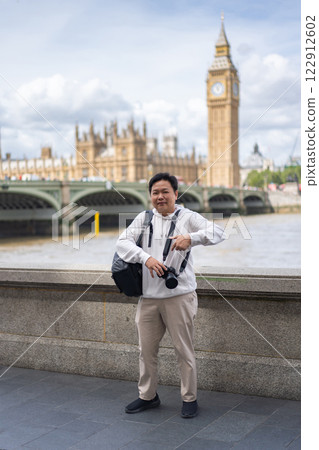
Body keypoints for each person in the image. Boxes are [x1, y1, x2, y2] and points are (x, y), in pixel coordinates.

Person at [115, 172, 224, 418]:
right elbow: (122, 243)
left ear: (176, 194)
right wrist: (147, 258)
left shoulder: (188, 217)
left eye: (165, 192)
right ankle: (148, 396)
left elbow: (219, 232)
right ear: (150, 196)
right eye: (155, 193)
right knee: (146, 351)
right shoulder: (143, 219)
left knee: (183, 350)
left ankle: (189, 398)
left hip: (179, 297)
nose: (160, 197)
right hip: (149, 298)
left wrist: (191, 238)